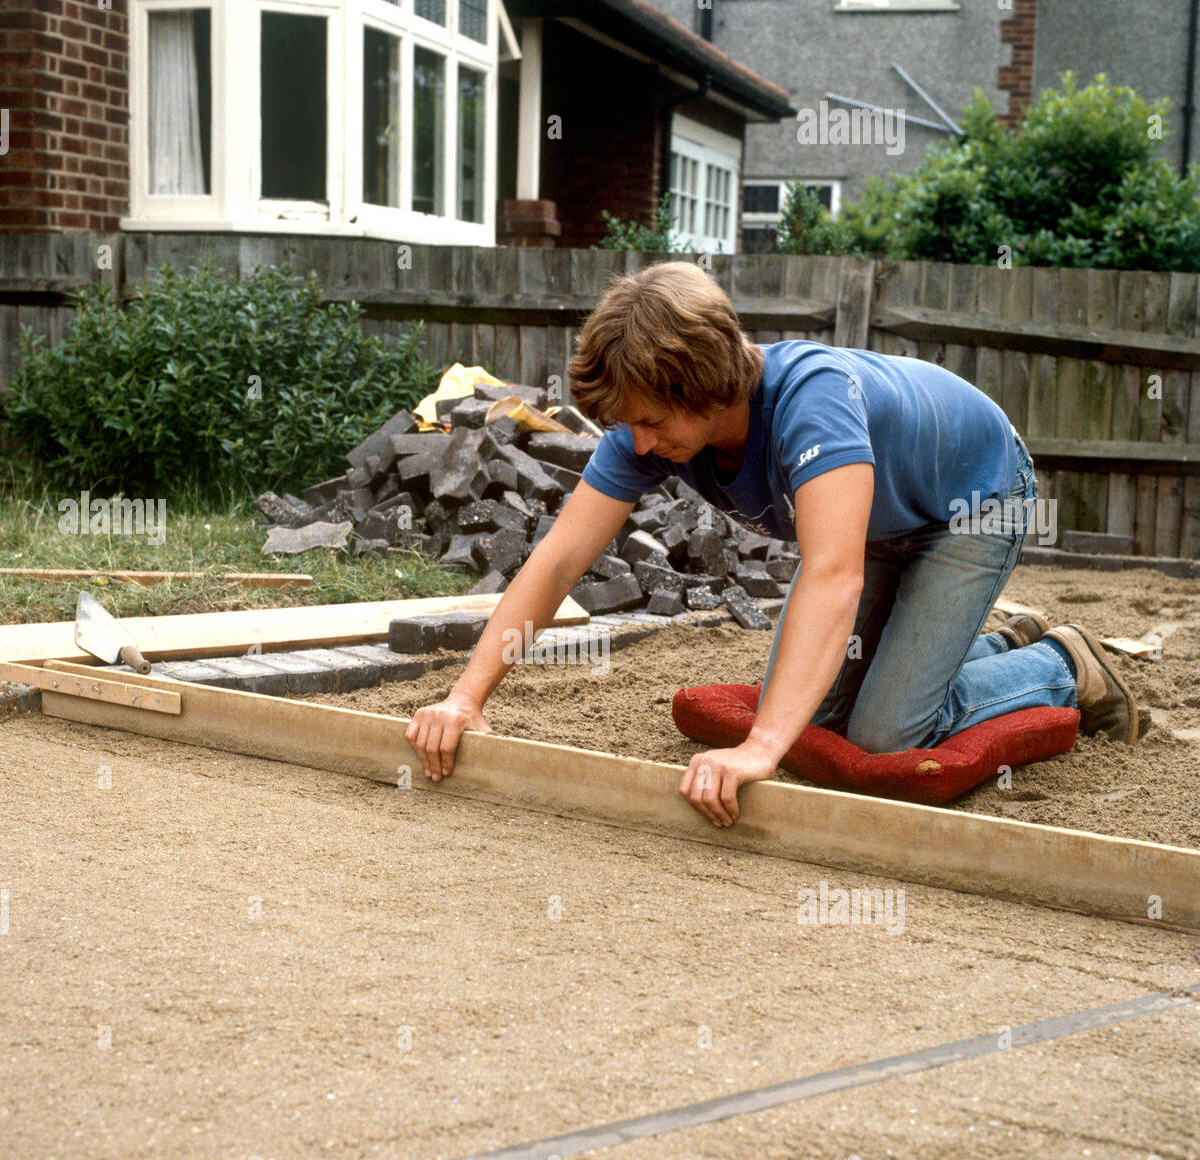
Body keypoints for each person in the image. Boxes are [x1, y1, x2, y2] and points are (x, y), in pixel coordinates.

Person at [405, 261, 1139, 827]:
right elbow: (559, 557)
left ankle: (1060, 661)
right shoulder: (648, 432)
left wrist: (759, 750)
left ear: (709, 387)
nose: (638, 443)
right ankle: (981, 645)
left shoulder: (810, 401)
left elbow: (830, 574)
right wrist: (465, 697)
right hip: (880, 520)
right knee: (812, 716)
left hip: (971, 501)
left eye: (652, 422)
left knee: (884, 734)